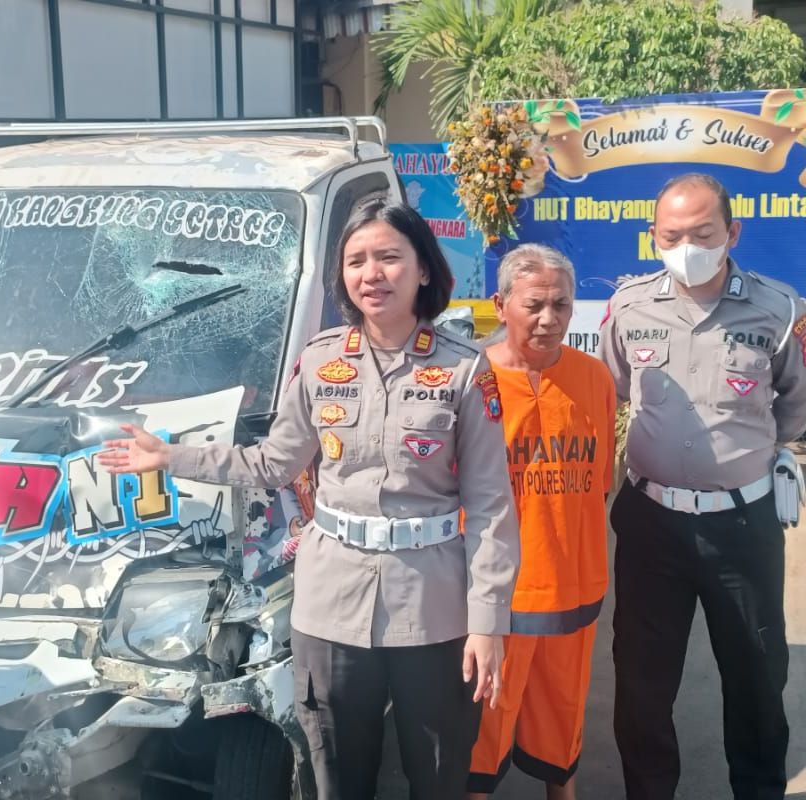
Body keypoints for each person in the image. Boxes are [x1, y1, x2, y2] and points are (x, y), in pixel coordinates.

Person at [100, 199, 520, 799]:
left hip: (433, 603)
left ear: (423, 269)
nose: (371, 273)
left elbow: (491, 507)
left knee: (438, 771)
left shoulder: (464, 370)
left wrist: (488, 624)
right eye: (356, 261)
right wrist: (170, 456)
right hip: (331, 604)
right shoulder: (323, 362)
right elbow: (272, 463)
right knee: (337, 774)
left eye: (389, 257)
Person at [600, 173, 806, 799]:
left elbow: (794, 406)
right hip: (650, 521)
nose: (686, 246)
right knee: (641, 682)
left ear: (732, 233)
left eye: (702, 233)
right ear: (653, 238)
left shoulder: (778, 309)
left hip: (743, 527)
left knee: (756, 676)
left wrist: (774, 459)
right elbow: (605, 391)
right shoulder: (630, 307)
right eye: (671, 236)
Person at [467, 245, 616, 799]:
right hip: (495, 597)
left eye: (562, 304)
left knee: (563, 719)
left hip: (574, 586)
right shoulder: (470, 383)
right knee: (483, 729)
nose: (549, 319)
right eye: (534, 305)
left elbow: (598, 483)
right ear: (500, 304)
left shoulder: (595, 379)